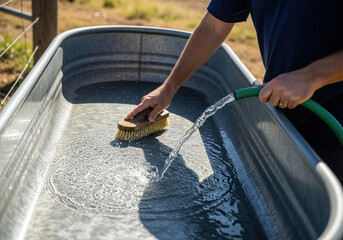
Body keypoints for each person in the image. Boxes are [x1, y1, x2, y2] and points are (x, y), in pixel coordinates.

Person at [125, 1, 343, 182]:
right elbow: (213, 26)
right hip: (284, 112)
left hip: (334, 127)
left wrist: (312, 76)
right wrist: (168, 87)